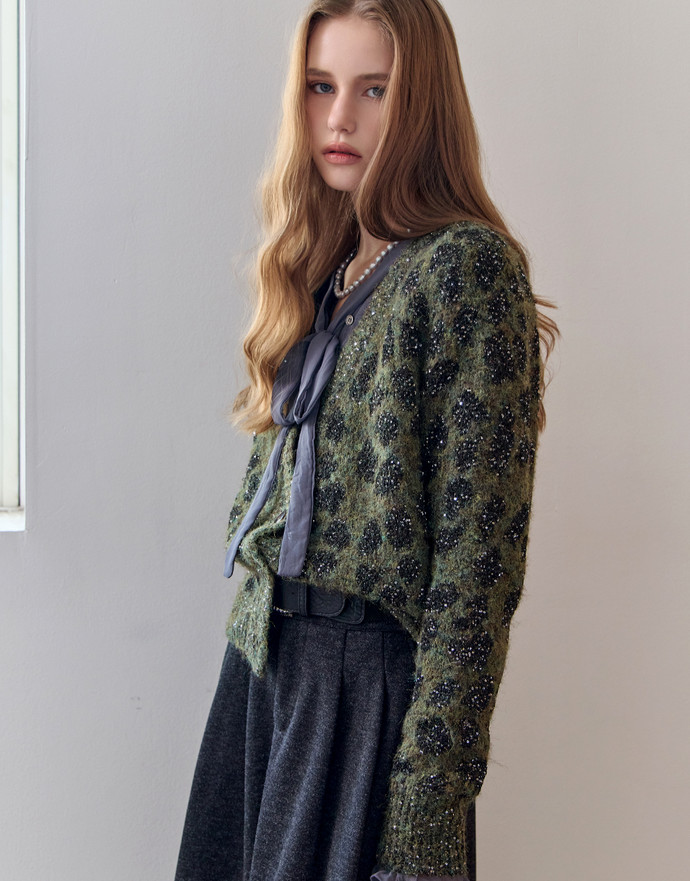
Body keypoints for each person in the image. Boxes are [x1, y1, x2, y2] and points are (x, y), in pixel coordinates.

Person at [174, 1, 557, 880]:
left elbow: (478, 573)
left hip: (364, 699)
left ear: (421, 102)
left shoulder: (466, 269)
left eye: (373, 89)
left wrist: (426, 809)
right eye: (320, 86)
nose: (339, 117)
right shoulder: (328, 267)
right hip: (264, 677)